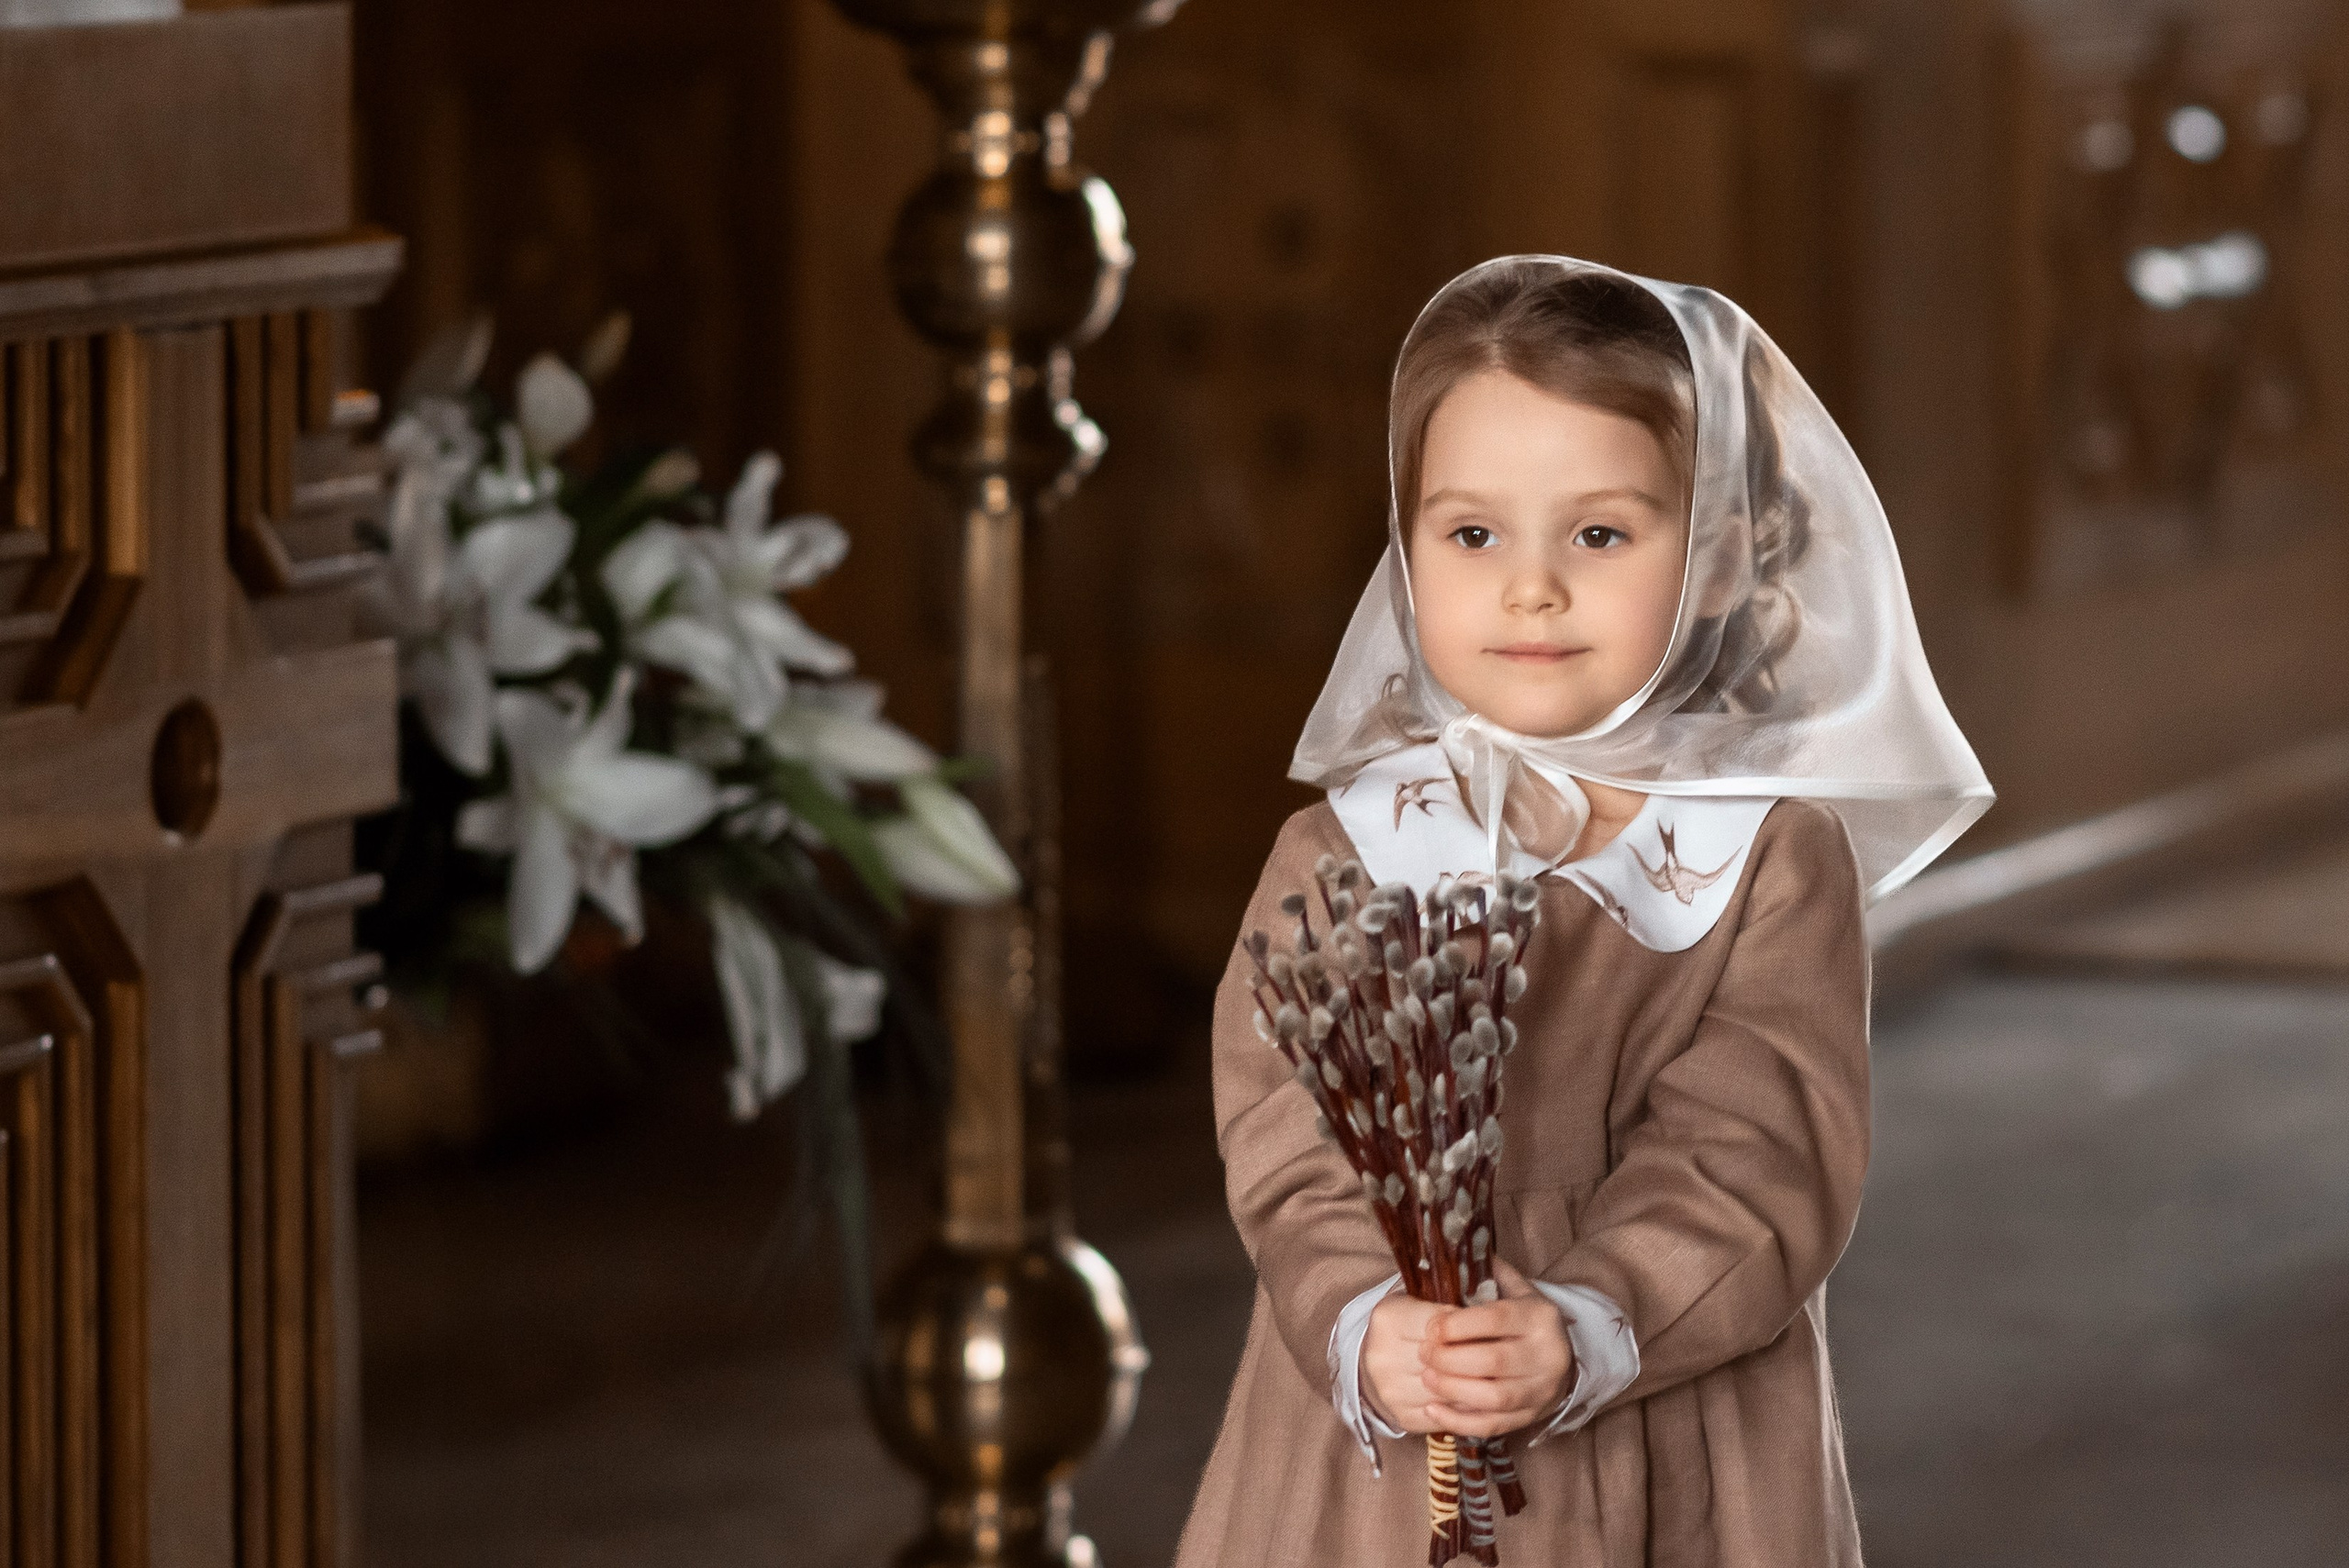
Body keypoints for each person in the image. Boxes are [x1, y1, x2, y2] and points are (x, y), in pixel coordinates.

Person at [1173, 256, 1992, 1565]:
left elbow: (1761, 1143)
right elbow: (1284, 1128)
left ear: (1720, 558)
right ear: (1407, 548)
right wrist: (1367, 1314)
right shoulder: (1345, 846)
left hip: (1666, 1419)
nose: (1530, 587)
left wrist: (1590, 1317)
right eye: (1473, 534)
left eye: (1599, 535)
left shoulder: (1767, 856)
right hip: (1383, 1417)